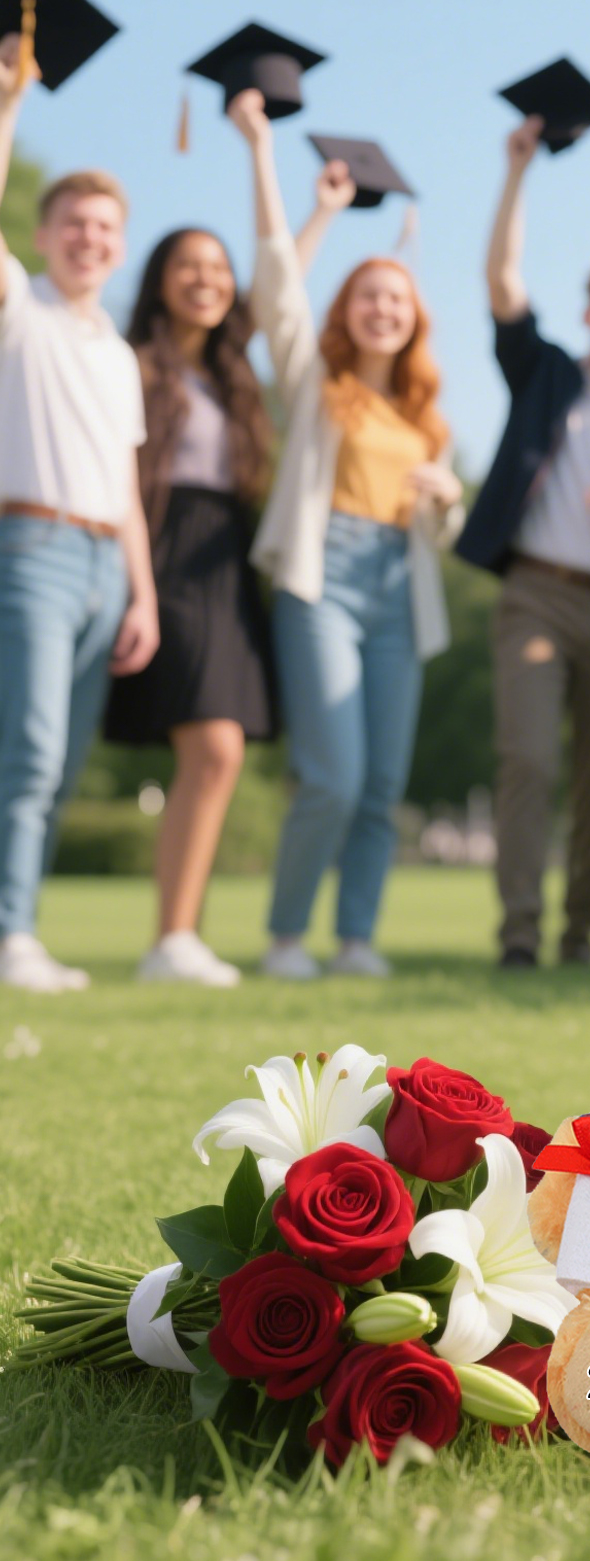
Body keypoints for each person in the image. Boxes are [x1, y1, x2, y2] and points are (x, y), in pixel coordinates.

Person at [228, 88, 465, 981]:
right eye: (367, 296)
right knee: (332, 772)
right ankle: (288, 936)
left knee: (379, 784)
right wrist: (312, 201)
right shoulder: (316, 388)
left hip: (400, 592)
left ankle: (355, 937)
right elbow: (276, 292)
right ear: (346, 311)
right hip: (323, 575)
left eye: (395, 298)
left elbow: (443, 527)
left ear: (414, 321)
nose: (381, 308)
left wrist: (445, 493)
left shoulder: (425, 420)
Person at [455, 115, 590, 970]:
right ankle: (517, 932)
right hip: (534, 595)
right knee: (528, 759)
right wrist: (516, 172)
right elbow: (501, 279)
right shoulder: (545, 374)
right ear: (589, 312)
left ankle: (579, 931)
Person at [0, 33, 158, 994]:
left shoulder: (115, 348)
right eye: (74, 223)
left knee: (57, 766)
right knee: (28, 748)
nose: (90, 238)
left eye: (105, 228)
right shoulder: (20, 311)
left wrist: (138, 593)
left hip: (105, 565)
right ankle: (10, 931)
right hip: (31, 544)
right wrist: (13, 103)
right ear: (46, 231)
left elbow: (127, 482)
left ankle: (18, 926)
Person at [103, 228, 276, 987]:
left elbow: (281, 283)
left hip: (226, 562)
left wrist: (322, 209)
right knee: (213, 748)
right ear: (159, 279)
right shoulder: (131, 364)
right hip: (162, 554)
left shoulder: (232, 375)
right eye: (187, 266)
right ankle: (171, 936)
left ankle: (179, 935)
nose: (204, 279)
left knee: (216, 754)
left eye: (218, 268)